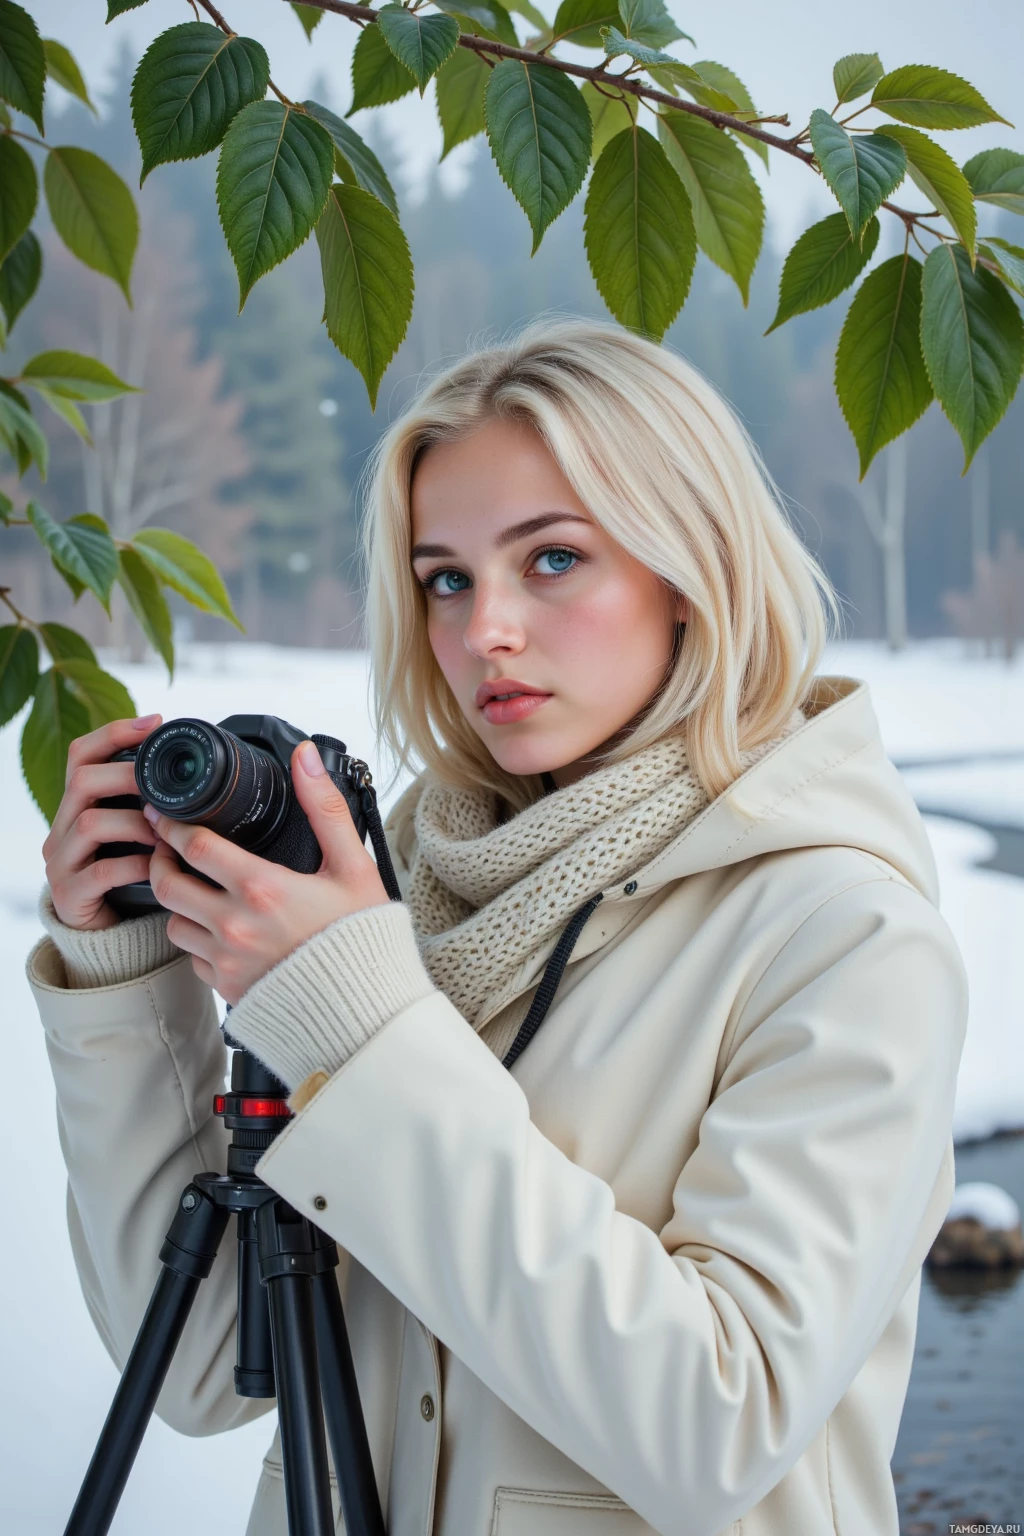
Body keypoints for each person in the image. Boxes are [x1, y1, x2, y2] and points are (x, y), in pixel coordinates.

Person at [27, 318, 967, 1536]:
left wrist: (363, 1022)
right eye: (446, 578)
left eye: (555, 559)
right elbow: (208, 1368)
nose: (485, 633)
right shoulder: (396, 895)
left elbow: (718, 1424)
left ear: (691, 571)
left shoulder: (844, 937)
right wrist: (123, 975)